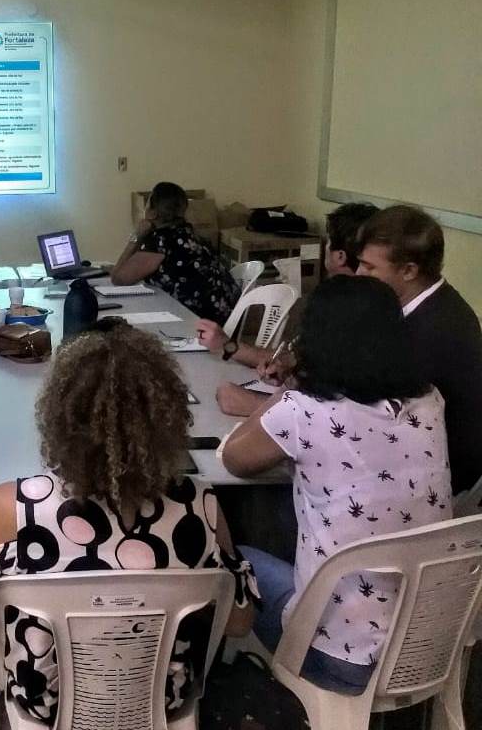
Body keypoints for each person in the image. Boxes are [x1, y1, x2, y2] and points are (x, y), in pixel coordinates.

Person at [0, 319, 257, 725]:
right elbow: (239, 622)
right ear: (170, 417)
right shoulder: (200, 504)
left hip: (48, 706)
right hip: (164, 701)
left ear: (56, 418)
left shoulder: (12, 508)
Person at [222, 275, 452, 694]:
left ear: (312, 343)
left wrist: (290, 387)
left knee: (236, 558)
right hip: (427, 644)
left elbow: (233, 458)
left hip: (336, 658)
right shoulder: (430, 401)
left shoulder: (302, 410)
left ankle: (244, 696)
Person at [197, 202, 379, 418]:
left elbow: (339, 411)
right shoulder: (339, 302)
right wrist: (287, 368)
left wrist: (253, 403)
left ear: (339, 256)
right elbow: (302, 362)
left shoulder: (357, 315)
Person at [356, 205, 482, 495]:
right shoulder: (429, 305)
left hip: (429, 483)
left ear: (409, 270)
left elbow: (367, 414)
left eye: (369, 267)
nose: (359, 274)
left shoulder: (434, 329)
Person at [111, 182, 239, 324]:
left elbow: (118, 279)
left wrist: (137, 235)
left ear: (153, 213)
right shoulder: (190, 234)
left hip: (200, 324)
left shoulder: (160, 242)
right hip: (225, 316)